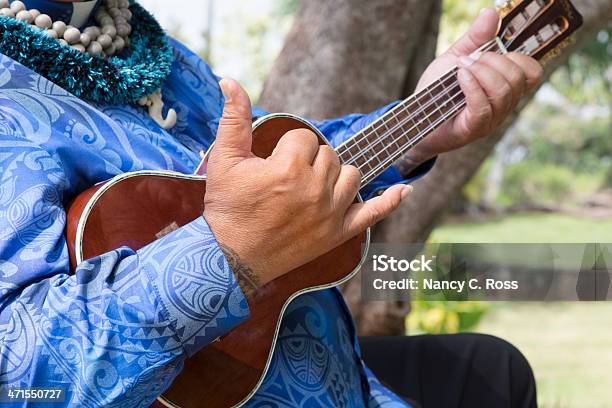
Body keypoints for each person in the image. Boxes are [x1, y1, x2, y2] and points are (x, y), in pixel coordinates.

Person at [0, 0, 542, 407]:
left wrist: (423, 122)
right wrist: (229, 252)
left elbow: (279, 174)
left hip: (335, 375)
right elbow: (23, 378)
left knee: (493, 369)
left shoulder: (149, 48)